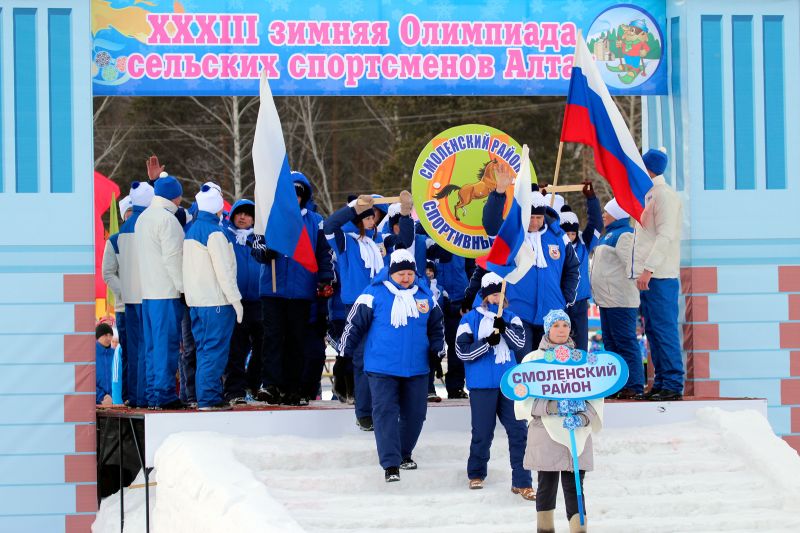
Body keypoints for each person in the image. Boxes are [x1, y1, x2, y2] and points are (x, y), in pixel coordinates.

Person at [340, 249, 445, 482]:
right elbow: (353, 325)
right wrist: (343, 356)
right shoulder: (373, 294)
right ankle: (390, 464)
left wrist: (437, 350)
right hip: (381, 367)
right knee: (385, 413)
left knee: (416, 415)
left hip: (416, 368)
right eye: (401, 274)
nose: (406, 278)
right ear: (391, 273)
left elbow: (437, 328)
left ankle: (404, 453)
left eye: (410, 274)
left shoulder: (425, 297)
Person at [324, 191, 412, 430]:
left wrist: (405, 215)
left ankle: (382, 408)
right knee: (361, 358)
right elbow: (329, 225)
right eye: (367, 216)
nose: (372, 220)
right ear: (357, 220)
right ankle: (364, 413)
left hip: (383, 305)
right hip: (356, 305)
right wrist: (354, 207)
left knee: (383, 357)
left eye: (373, 216)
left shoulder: (381, 241)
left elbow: (404, 242)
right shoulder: (345, 241)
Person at [515, 310, 603, 533]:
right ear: (547, 330)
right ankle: (545, 528)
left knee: (575, 487)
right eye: (556, 326)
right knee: (546, 486)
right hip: (545, 433)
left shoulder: (583, 359)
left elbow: (597, 393)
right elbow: (522, 398)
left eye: (565, 325)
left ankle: (578, 529)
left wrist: (583, 417)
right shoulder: (532, 360)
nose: (561, 330)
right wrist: (552, 407)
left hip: (577, 434)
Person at [250, 171, 333, 406]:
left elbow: (324, 253)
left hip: (301, 290)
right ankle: (271, 385)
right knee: (273, 338)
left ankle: (292, 388)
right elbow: (256, 246)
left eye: (298, 194)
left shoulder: (315, 221)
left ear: (304, 196)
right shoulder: (269, 217)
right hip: (273, 290)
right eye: (290, 193)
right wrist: (266, 253)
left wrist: (325, 278)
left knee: (297, 340)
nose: (294, 198)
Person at [476, 177, 581, 356]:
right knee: (523, 364)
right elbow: (491, 223)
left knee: (548, 366)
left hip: (552, 314)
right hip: (518, 312)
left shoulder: (558, 236)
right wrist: (499, 193)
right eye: (530, 217)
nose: (534, 222)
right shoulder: (512, 234)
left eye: (539, 217)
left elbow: (572, 268)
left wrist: (566, 297)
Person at [456, 272, 534, 500]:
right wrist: (486, 342)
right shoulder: (469, 320)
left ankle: (522, 481)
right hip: (482, 385)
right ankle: (476, 473)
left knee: (519, 431)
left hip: (509, 384)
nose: (496, 298)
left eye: (499, 294)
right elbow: (462, 352)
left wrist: (505, 329)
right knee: (482, 432)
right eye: (492, 295)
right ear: (484, 296)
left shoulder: (512, 317)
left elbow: (520, 344)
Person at [183, 184, 243, 411]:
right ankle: (209, 397)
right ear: (217, 206)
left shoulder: (192, 230)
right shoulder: (215, 233)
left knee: (204, 350)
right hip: (216, 302)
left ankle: (207, 395)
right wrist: (235, 301)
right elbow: (224, 271)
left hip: (197, 302)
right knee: (214, 351)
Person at [633, 148, 684, 401]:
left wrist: (649, 268)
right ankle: (661, 381)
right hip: (651, 276)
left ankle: (673, 383)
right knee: (653, 330)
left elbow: (665, 236)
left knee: (664, 330)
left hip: (661, 275)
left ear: (649, 168)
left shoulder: (664, 196)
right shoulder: (651, 194)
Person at [135, 175, 185, 409]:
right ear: (176, 197)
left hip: (148, 293)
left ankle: (154, 394)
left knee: (153, 347)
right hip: (166, 292)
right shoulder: (168, 220)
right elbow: (173, 259)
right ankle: (165, 395)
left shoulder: (143, 218)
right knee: (166, 345)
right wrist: (183, 288)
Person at [591, 198, 644, 399]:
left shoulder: (625, 235)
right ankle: (617, 384)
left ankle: (634, 385)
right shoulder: (608, 235)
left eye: (607, 211)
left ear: (617, 214)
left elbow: (633, 265)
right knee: (612, 344)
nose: (603, 215)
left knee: (625, 342)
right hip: (607, 300)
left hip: (620, 300)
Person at [547, 183, 603, 352]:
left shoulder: (584, 242)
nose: (570, 237)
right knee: (557, 342)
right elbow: (544, 221)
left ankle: (580, 365)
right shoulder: (553, 244)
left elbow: (596, 224)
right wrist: (542, 197)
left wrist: (591, 199)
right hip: (560, 300)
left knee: (580, 343)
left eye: (573, 233)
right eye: (567, 233)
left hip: (579, 302)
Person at [115, 182, 154, 408]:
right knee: (146, 347)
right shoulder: (145, 223)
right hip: (145, 293)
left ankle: (135, 396)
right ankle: (144, 395)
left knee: (134, 349)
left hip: (129, 296)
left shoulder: (124, 228)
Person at [222, 199, 263, 404]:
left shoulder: (261, 238)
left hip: (259, 301)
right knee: (236, 349)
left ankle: (252, 384)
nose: (243, 217)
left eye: (247, 214)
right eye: (239, 213)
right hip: (235, 302)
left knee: (263, 346)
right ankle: (234, 390)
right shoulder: (226, 236)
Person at [425, 260, 447, 402]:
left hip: (437, 327)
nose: (428, 273)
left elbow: (447, 308)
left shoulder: (440, 288)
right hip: (423, 328)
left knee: (434, 357)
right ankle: (426, 389)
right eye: (426, 271)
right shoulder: (419, 287)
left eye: (431, 271)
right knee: (424, 358)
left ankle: (430, 389)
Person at [96, 323, 115, 405]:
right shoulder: (90, 354)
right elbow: (87, 381)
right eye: (105, 335)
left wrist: (112, 396)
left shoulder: (115, 354)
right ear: (98, 336)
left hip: (114, 401)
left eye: (110, 335)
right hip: (96, 402)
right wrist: (102, 397)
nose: (108, 338)